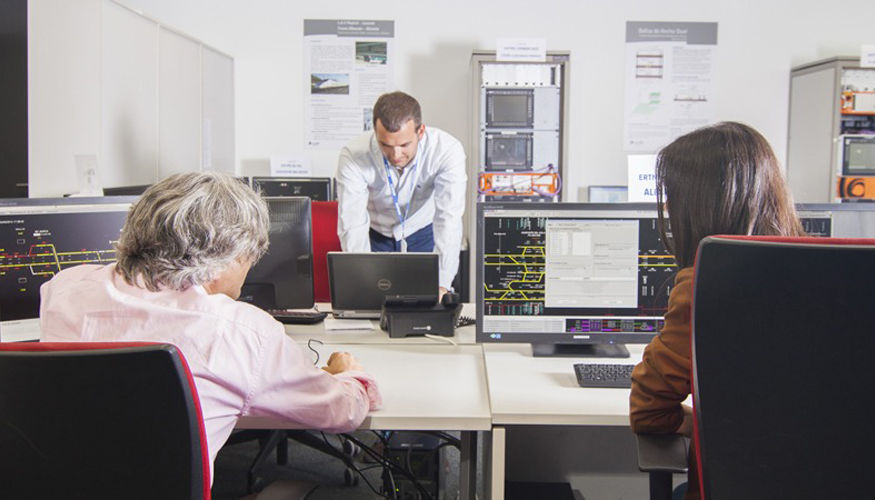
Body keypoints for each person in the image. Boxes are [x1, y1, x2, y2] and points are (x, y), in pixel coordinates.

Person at [39, 171, 382, 485]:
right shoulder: (243, 332)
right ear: (222, 264)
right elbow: (341, 411)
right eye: (249, 257)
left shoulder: (63, 288)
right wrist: (349, 375)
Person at [629, 122, 804, 500]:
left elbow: (649, 409)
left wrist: (708, 427)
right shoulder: (839, 278)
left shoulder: (705, 287)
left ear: (694, 208)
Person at [335, 91, 467, 295]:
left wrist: (442, 284)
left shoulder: (446, 151)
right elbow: (352, 223)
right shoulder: (354, 155)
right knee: (372, 304)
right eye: (385, 145)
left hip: (424, 234)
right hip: (376, 236)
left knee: (425, 305)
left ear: (420, 132)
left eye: (404, 145)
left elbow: (448, 218)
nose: (396, 155)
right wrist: (361, 280)